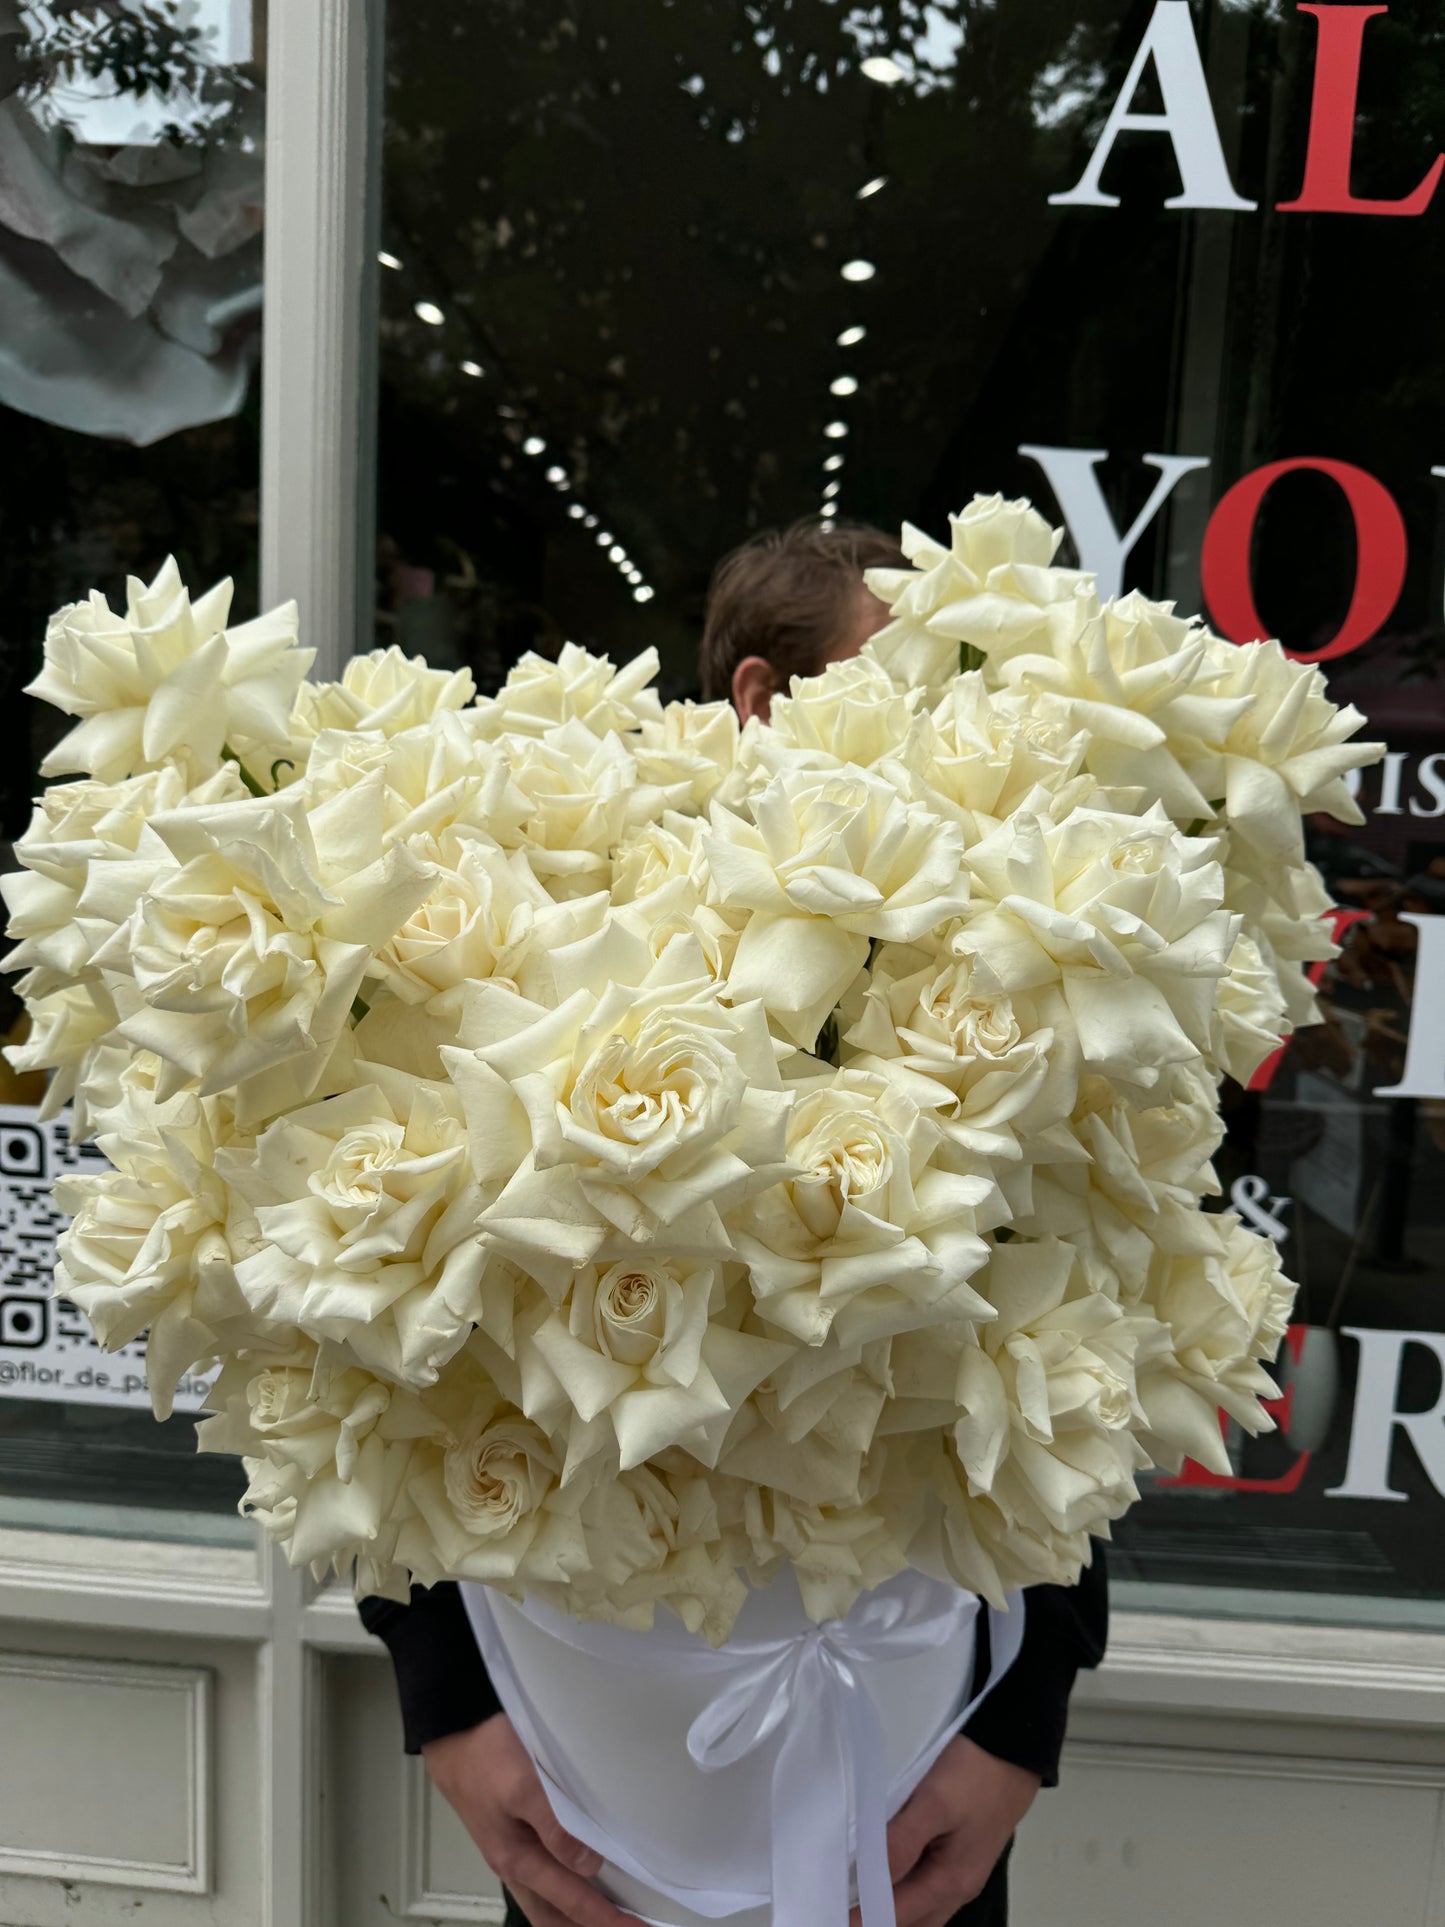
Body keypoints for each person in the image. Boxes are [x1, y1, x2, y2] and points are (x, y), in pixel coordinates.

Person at [361, 520, 1109, 1927]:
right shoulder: (561, 932)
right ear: (764, 697)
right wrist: (453, 1709)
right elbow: (383, 1376)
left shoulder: (1031, 973)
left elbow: (1100, 1354)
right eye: (912, 684)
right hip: (601, 1806)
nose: (957, 733)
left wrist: (1020, 1732)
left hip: (916, 1801)